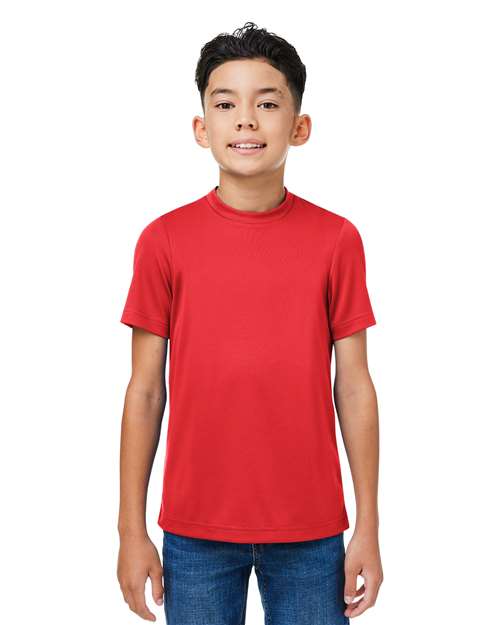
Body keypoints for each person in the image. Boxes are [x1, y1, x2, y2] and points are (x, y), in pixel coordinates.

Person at [116, 21, 383, 625]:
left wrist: (367, 525)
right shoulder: (163, 241)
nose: (245, 121)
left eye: (266, 103)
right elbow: (145, 391)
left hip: (312, 530)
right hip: (195, 530)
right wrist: (131, 530)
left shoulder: (337, 240)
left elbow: (354, 386)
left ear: (299, 126)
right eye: (225, 104)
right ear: (201, 128)